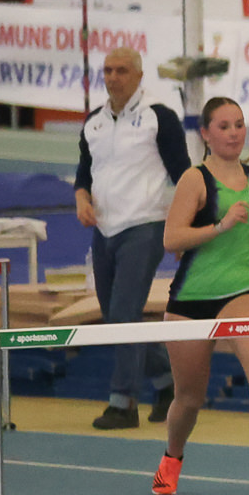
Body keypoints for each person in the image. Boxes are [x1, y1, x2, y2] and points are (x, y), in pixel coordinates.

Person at [151, 97, 249, 495]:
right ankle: (172, 457)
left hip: (239, 290)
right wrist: (219, 225)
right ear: (206, 134)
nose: (234, 133)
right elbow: (171, 240)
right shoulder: (194, 180)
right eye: (224, 126)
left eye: (239, 125)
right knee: (190, 397)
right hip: (191, 299)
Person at [72, 46, 190, 429]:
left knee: (124, 314)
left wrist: (186, 231)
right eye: (107, 70)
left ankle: (123, 403)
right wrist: (81, 198)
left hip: (144, 225)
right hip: (104, 229)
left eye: (122, 70)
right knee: (115, 317)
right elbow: (84, 172)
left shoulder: (159, 117)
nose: (113, 77)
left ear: (139, 75)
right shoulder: (94, 122)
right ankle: (168, 382)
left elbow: (185, 175)